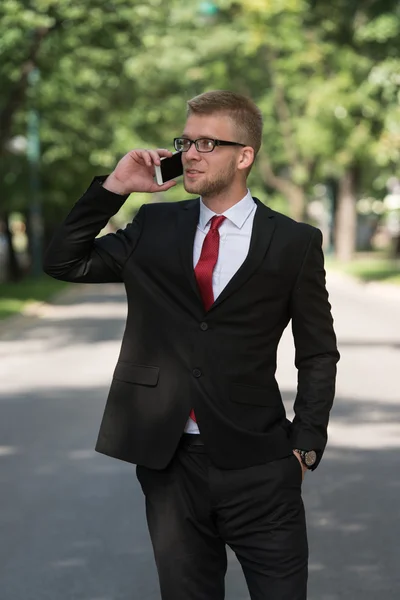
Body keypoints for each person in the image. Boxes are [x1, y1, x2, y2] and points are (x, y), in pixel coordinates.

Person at [44, 90, 340, 600]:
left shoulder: (294, 242)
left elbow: (317, 352)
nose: (191, 154)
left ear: (244, 155)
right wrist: (116, 188)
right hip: (169, 464)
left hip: (262, 463)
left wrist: (305, 445)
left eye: (208, 142)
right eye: (186, 141)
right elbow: (64, 262)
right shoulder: (155, 226)